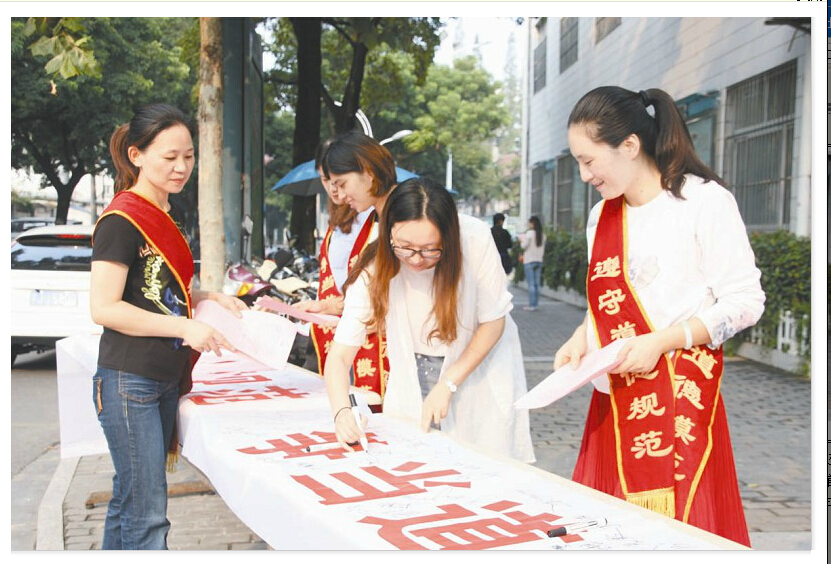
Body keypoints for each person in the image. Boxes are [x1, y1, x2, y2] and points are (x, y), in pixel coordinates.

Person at [555, 86, 765, 547]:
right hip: (616, 399)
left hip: (678, 399)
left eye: (589, 161)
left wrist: (662, 341)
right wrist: (581, 336)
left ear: (630, 145)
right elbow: (608, 299)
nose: (584, 175)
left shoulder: (702, 202)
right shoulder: (602, 216)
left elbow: (745, 302)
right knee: (610, 534)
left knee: (681, 536)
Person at [90, 104, 245, 549]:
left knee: (131, 501)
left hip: (159, 376)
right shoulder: (122, 220)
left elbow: (159, 290)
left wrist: (207, 297)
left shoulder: (166, 213)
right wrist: (184, 328)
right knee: (147, 516)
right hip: (130, 378)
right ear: (136, 155)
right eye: (170, 157)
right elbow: (104, 308)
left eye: (189, 157)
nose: (181, 167)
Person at [322, 171, 535, 463]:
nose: (415, 259)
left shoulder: (473, 239)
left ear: (449, 237)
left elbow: (493, 321)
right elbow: (340, 356)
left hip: (477, 362)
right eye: (405, 247)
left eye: (429, 250)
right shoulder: (376, 264)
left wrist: (448, 382)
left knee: (480, 460)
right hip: (416, 365)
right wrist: (341, 412)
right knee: (416, 458)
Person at [294, 139, 388, 399]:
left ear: (367, 172)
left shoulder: (382, 219)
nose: (336, 192)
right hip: (351, 327)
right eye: (328, 181)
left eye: (341, 183)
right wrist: (328, 306)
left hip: (376, 337)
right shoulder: (344, 221)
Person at [519, 215, 545, 311]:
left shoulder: (529, 233)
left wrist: (522, 240)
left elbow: (523, 246)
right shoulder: (542, 235)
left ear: (533, 223)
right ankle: (535, 305)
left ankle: (531, 305)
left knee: (531, 284)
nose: (528, 224)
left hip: (529, 261)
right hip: (539, 261)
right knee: (537, 284)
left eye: (529, 223)